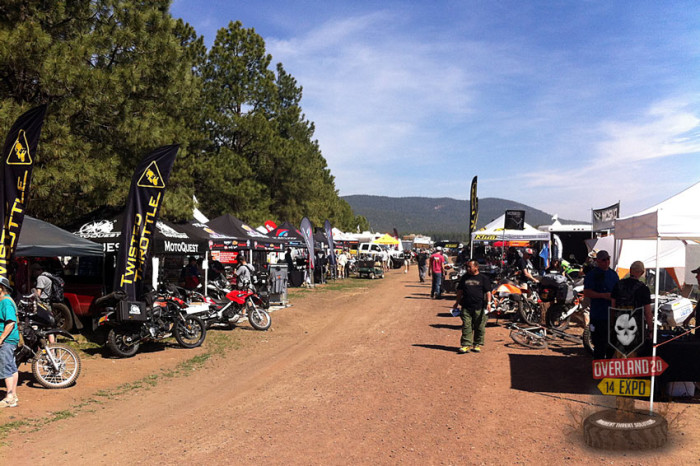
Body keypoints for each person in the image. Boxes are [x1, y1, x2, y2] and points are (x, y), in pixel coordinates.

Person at [583, 249, 619, 360]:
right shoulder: (592, 275)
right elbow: (587, 292)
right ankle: (599, 370)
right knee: (599, 345)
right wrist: (603, 295)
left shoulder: (613, 274)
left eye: (608, 259)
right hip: (598, 315)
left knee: (612, 345)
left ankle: (608, 370)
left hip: (612, 315)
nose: (606, 262)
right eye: (604, 260)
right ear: (598, 261)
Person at [453, 260, 492, 353]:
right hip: (466, 306)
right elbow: (460, 291)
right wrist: (457, 302)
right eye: (467, 267)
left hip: (479, 306)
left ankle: (477, 344)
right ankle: (466, 345)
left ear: (476, 267)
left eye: (470, 267)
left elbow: (488, 292)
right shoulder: (464, 278)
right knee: (466, 325)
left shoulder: (483, 278)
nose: (468, 269)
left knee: (479, 326)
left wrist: (489, 303)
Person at [611, 260, 653, 336]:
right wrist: (650, 330)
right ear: (642, 272)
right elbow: (648, 313)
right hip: (636, 327)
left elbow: (612, 307)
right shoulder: (643, 288)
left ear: (630, 270)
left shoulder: (618, 285)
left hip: (619, 324)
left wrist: (611, 325)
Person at [0, 277, 19, 408]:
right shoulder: (4, 301)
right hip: (9, 340)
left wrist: (1, 338)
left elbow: (11, 322)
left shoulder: (5, 302)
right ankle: (13, 395)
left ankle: (10, 397)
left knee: (5, 366)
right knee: (12, 367)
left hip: (7, 340)